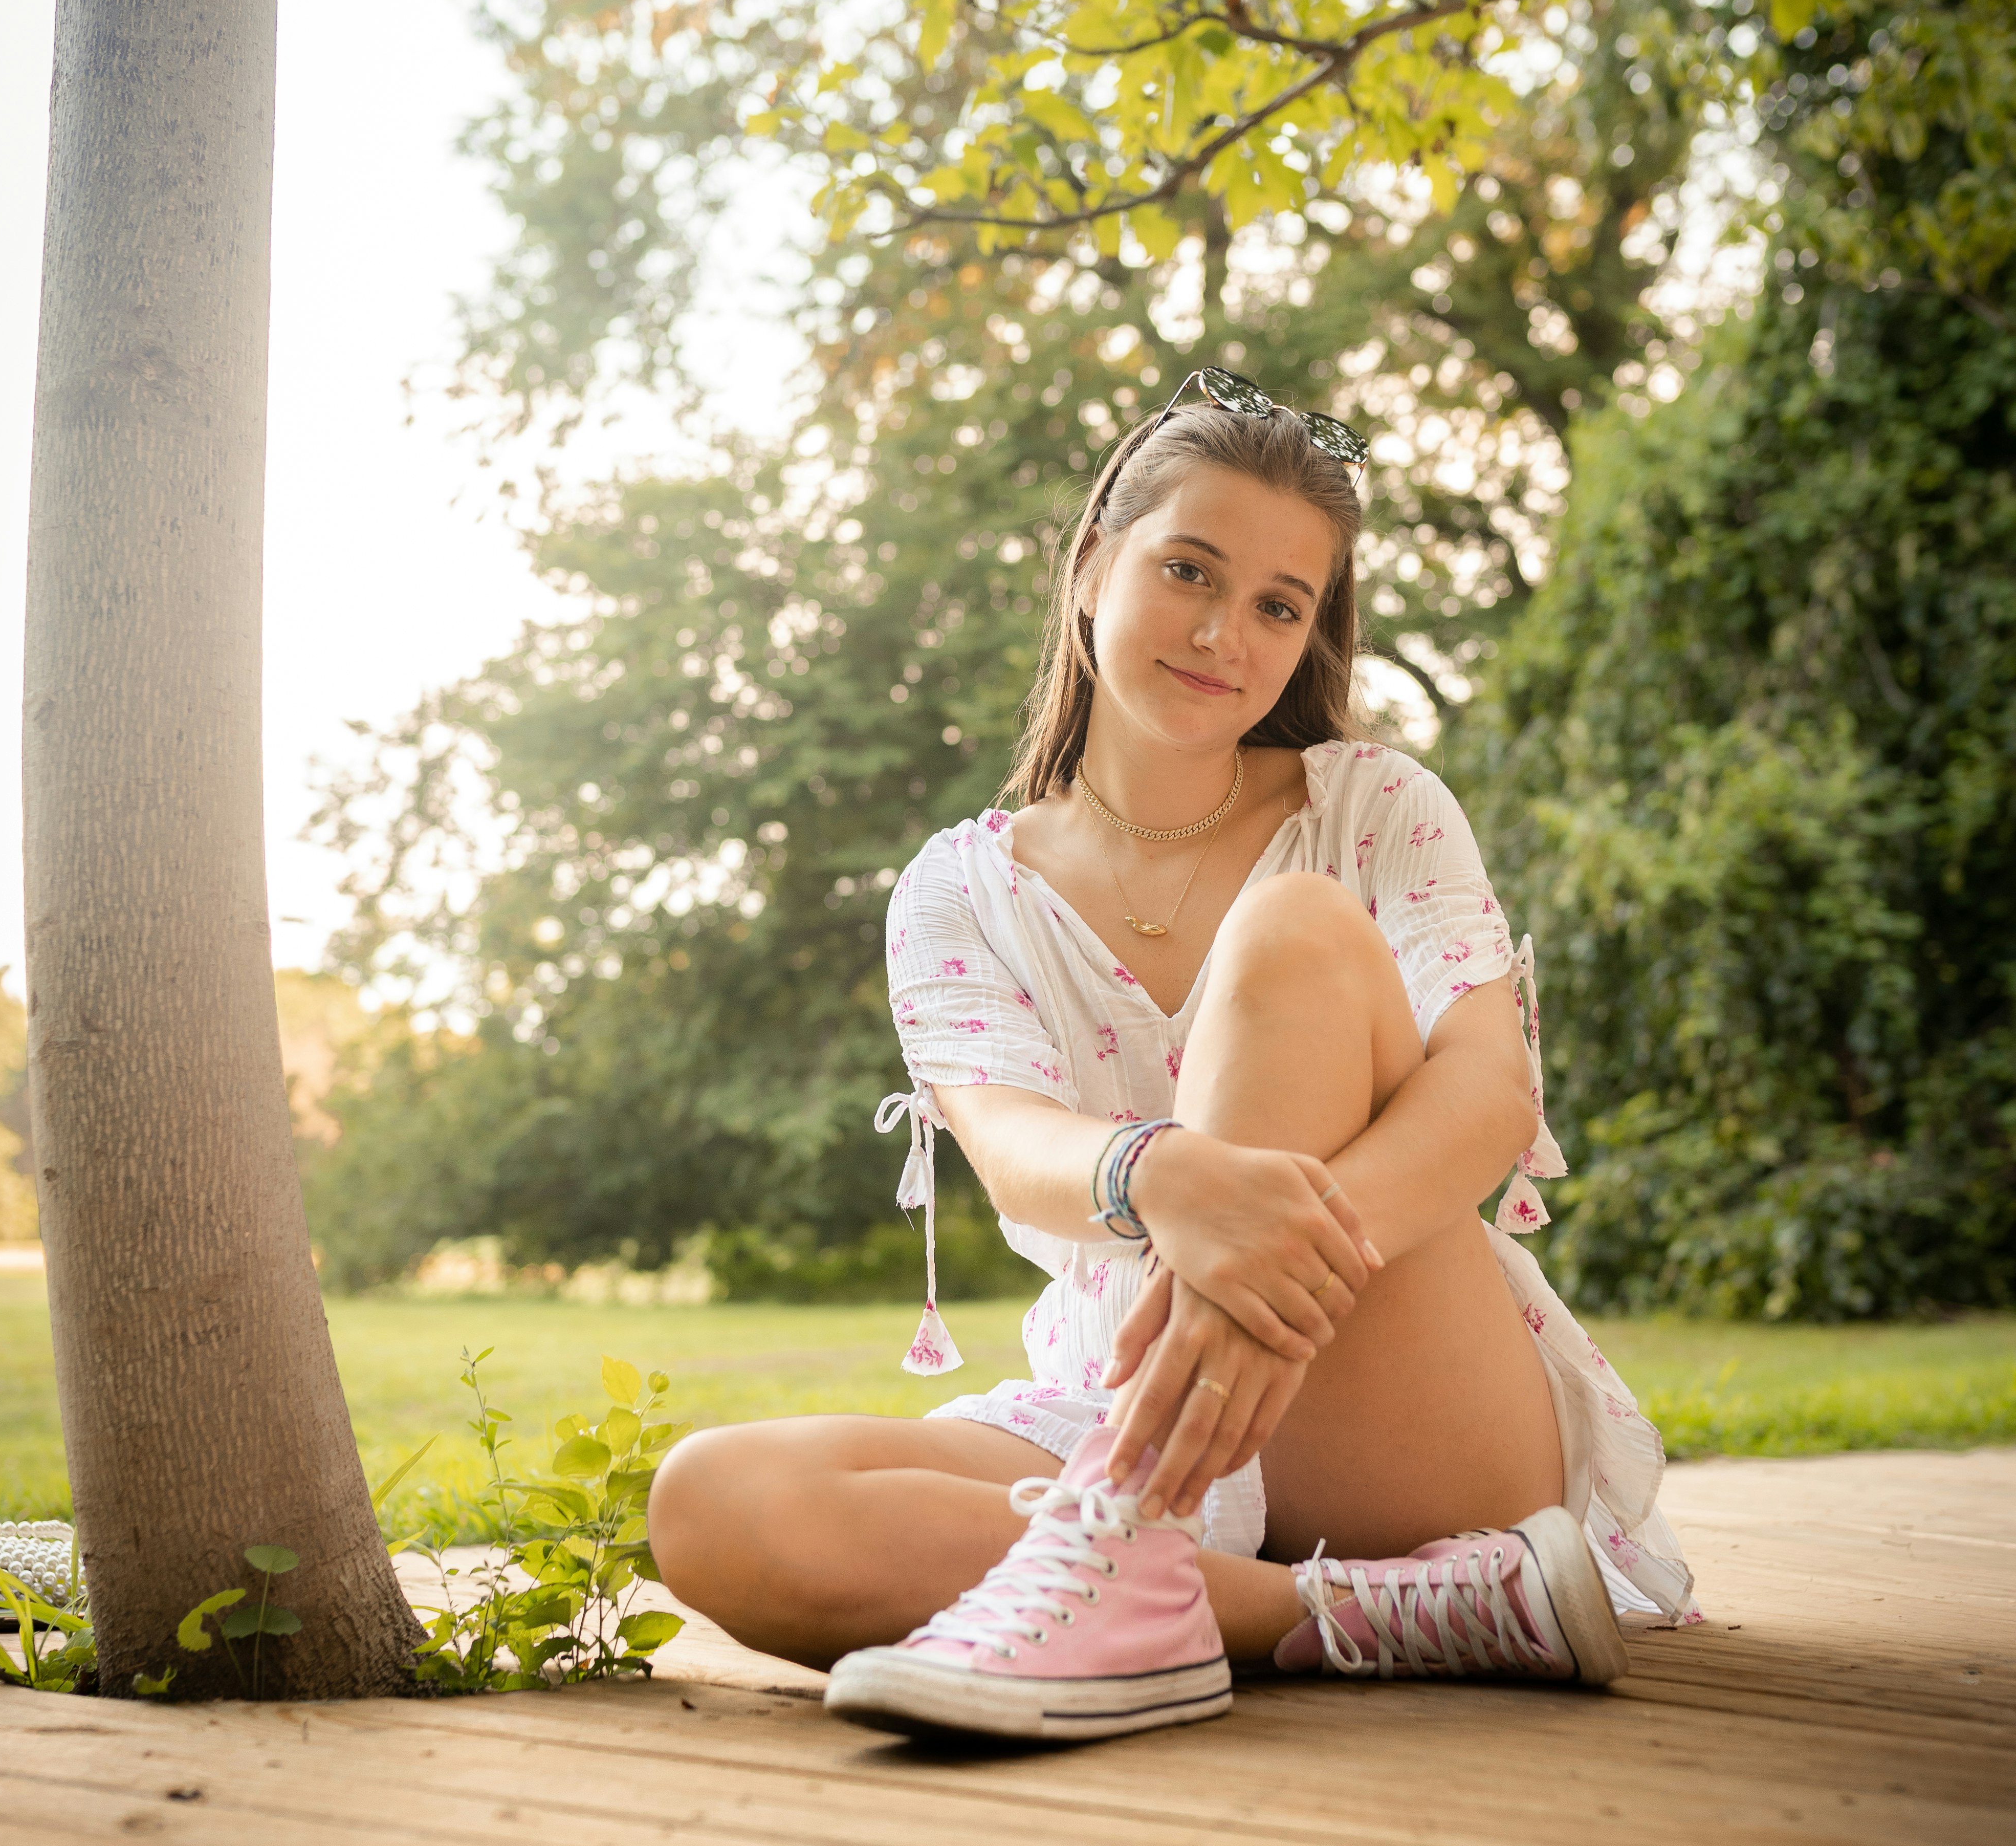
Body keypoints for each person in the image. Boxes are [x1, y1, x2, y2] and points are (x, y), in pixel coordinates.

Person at [647, 373, 1694, 1742]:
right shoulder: (957, 890)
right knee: (718, 1504)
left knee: (1297, 935)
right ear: (1092, 567)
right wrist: (1165, 1179)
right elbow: (1013, 1146)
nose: (1224, 634)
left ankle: (1118, 1547)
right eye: (1187, 571)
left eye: (1280, 604)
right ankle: (1346, 1612)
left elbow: (1487, 1094)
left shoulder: (1375, 807)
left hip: (1394, 1383)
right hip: (1114, 1383)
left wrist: (1262, 1254)